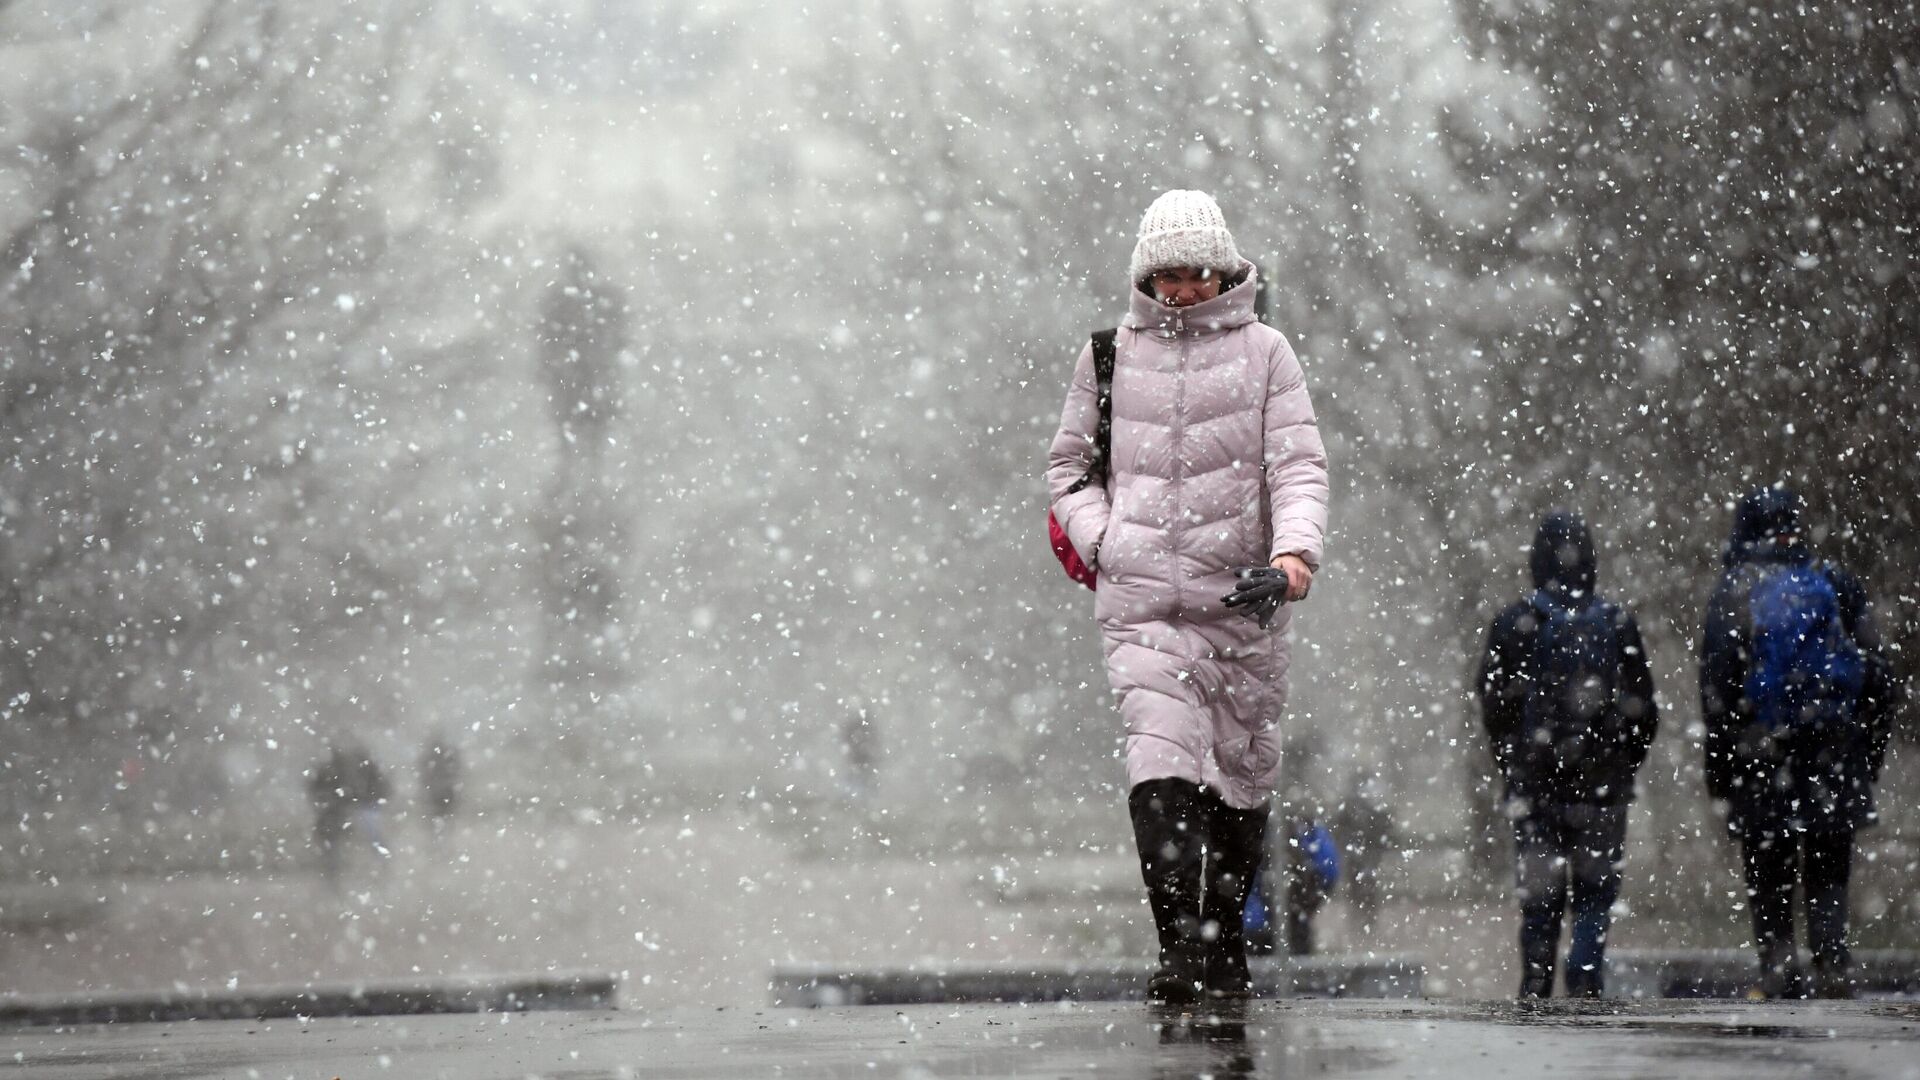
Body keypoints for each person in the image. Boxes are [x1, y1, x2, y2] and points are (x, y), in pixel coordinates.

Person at [1046, 189, 1328, 1004]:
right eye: (1164, 275)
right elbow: (1068, 469)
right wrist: (1106, 541)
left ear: (1223, 269)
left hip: (1244, 601)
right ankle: (1179, 946)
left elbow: (1298, 465)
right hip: (1145, 608)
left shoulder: (1268, 353)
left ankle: (1224, 935)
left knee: (1242, 779)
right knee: (1159, 765)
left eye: (1194, 273)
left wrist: (1293, 556)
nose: (1179, 291)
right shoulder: (1108, 355)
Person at [1699, 485, 1899, 999]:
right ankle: (1833, 964)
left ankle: (1778, 965)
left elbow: (1717, 691)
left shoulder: (1734, 593)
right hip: (1832, 755)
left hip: (1761, 758)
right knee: (1828, 866)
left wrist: (1722, 776)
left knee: (1769, 869)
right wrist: (1862, 755)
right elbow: (1880, 678)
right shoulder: (1835, 584)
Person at [1477, 511, 1658, 998]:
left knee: (1540, 903)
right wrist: (1618, 766)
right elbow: (1645, 711)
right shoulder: (1616, 624)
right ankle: (1584, 981)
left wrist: (1517, 764)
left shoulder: (1513, 624)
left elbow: (1492, 710)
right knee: (1595, 900)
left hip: (1536, 792)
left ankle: (1536, 985)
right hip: (1602, 793)